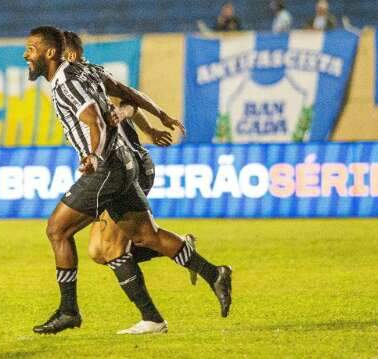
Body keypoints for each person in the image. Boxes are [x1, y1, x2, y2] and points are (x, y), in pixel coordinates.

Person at [24, 25, 232, 335]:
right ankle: (213, 273)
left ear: (50, 53)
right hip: (123, 164)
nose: (26, 54)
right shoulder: (87, 72)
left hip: (106, 168)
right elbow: (128, 94)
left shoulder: (66, 83)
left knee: (59, 230)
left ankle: (70, 311)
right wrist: (160, 114)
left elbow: (94, 119)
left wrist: (93, 155)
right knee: (143, 237)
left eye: (31, 49)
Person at [63, 30, 198, 335]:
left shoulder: (87, 77)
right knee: (99, 251)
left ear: (68, 55)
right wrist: (148, 127)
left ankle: (153, 317)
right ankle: (181, 250)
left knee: (110, 247)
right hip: (118, 168)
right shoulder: (81, 78)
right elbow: (128, 104)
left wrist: (131, 117)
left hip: (126, 168)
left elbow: (129, 101)